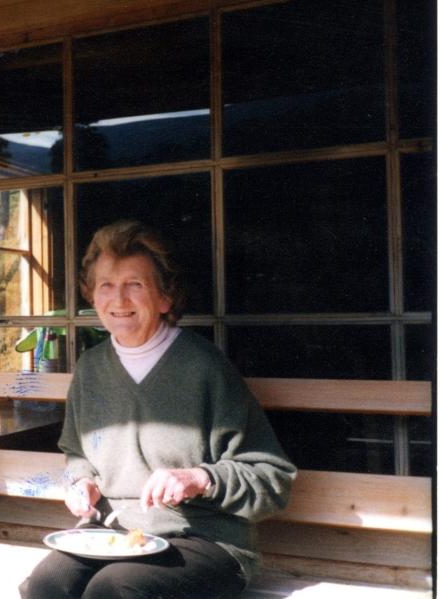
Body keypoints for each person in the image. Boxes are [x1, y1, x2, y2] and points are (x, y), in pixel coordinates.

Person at [20, 221, 296, 599]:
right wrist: (80, 481)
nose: (118, 300)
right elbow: (78, 453)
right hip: (112, 532)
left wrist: (199, 478)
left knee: (114, 591)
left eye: (135, 284)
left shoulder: (205, 368)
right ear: (92, 296)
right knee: (45, 587)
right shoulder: (90, 368)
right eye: (106, 285)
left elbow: (271, 478)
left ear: (165, 297)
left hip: (203, 539)